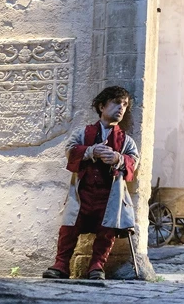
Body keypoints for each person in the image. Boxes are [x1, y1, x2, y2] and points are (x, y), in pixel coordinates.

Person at [42, 86, 139, 280]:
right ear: (102, 106)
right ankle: (61, 265)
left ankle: (97, 266)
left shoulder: (127, 141)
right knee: (70, 227)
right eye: (116, 102)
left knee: (107, 231)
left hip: (109, 195)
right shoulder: (82, 133)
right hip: (82, 192)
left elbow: (134, 161)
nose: (121, 108)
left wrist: (118, 158)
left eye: (125, 104)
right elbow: (70, 151)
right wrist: (91, 151)